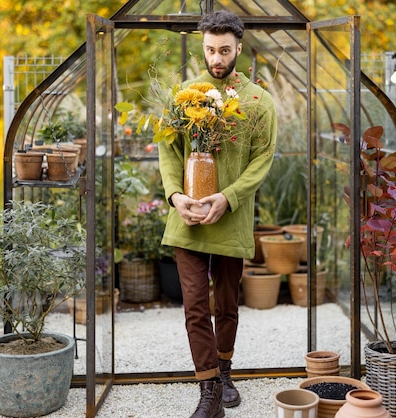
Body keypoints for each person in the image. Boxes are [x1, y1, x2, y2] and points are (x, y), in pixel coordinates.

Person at [157, 10, 277, 418]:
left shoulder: (259, 102)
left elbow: (262, 160)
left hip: (231, 216)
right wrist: (176, 196)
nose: (217, 58)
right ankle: (208, 389)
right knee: (194, 305)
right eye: (210, 49)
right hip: (187, 217)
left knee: (226, 303)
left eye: (225, 50)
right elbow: (168, 152)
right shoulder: (185, 95)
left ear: (239, 48)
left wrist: (228, 197)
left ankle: (224, 370)